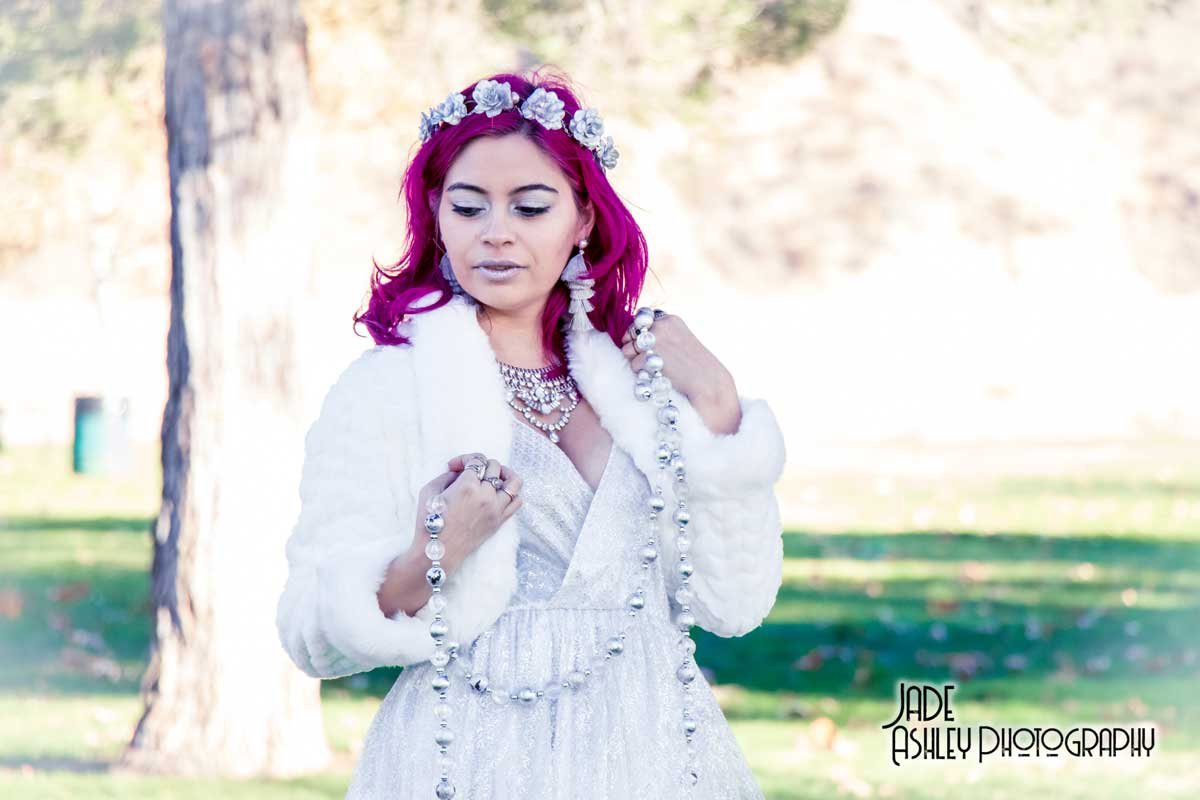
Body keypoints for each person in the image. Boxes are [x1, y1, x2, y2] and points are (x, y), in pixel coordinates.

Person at [275, 70, 787, 800]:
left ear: (582, 220)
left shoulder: (643, 389)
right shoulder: (388, 389)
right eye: (469, 205)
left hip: (653, 752)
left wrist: (716, 402)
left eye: (531, 206)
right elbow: (313, 633)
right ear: (436, 213)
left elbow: (734, 604)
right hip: (467, 758)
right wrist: (435, 550)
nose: (497, 231)